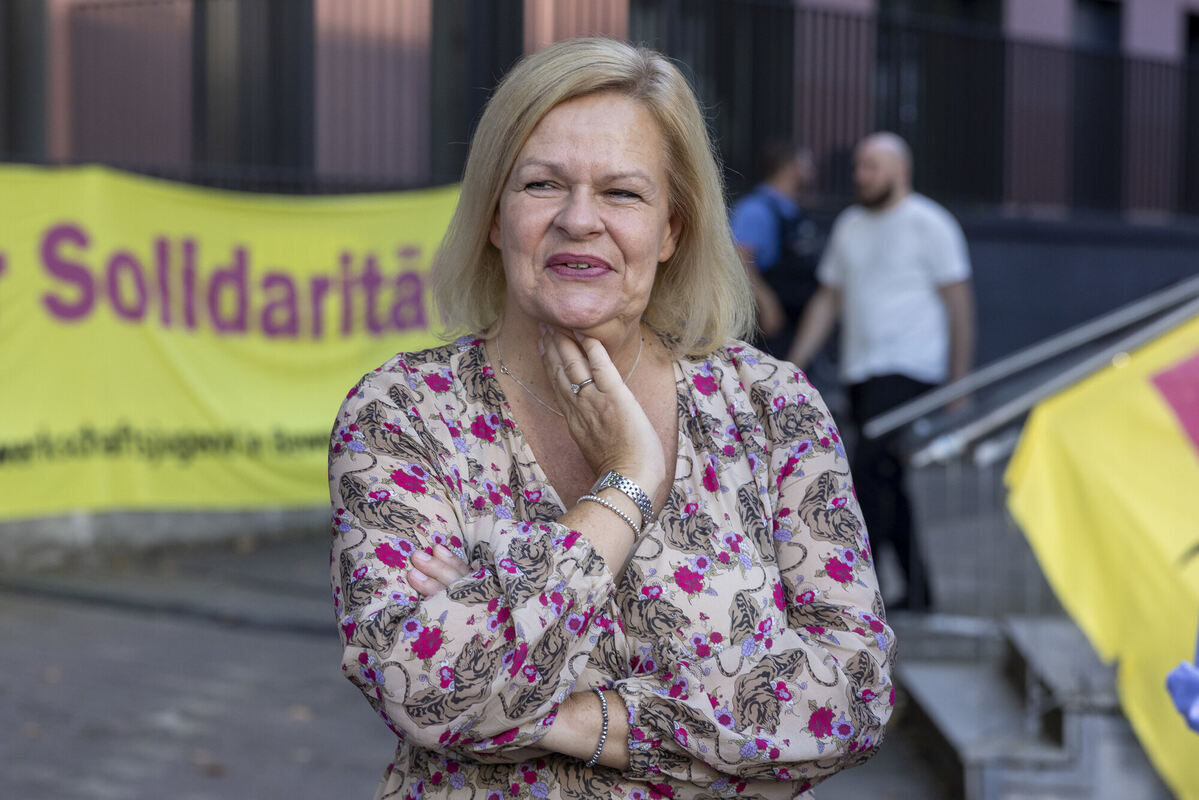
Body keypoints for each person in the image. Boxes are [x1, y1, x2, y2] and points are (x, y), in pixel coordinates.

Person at [329, 38, 895, 800]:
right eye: (541, 184)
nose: (578, 219)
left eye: (622, 193)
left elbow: (854, 694)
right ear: (495, 215)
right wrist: (626, 484)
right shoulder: (401, 414)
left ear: (671, 230)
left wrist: (571, 715)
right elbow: (424, 687)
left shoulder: (773, 410)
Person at [788, 132, 975, 612]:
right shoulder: (850, 225)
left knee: (868, 472)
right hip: (861, 370)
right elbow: (827, 299)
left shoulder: (930, 223)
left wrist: (960, 379)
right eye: (859, 167)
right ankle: (918, 591)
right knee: (887, 477)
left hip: (911, 368)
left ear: (900, 169)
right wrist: (795, 363)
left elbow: (958, 303)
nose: (861, 176)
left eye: (872, 167)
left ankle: (854, 589)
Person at [730, 142, 821, 358]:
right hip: (767, 330)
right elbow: (739, 261)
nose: (813, 169)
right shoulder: (755, 210)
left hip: (793, 323)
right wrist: (767, 303)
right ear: (792, 166)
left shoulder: (792, 209)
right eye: (806, 163)